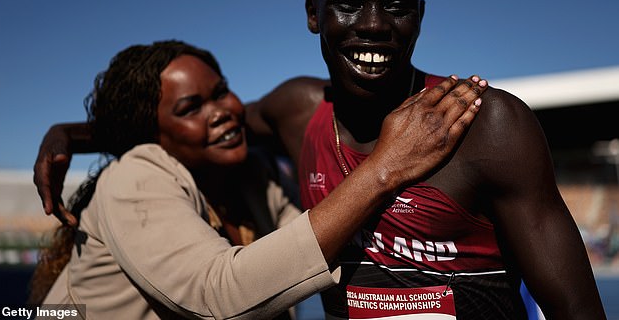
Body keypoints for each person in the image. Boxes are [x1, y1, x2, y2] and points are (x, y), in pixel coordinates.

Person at [33, 0, 605, 319]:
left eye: (398, 5)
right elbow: (186, 128)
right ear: (314, 12)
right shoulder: (298, 110)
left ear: (422, 16)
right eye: (349, 1)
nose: (375, 25)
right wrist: (69, 135)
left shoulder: (484, 124)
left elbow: (578, 311)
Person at [30, 40, 486, 319]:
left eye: (221, 91)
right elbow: (219, 295)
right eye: (191, 109)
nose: (224, 113)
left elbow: (317, 236)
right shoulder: (134, 175)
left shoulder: (247, 174)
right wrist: (385, 168)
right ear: (153, 133)